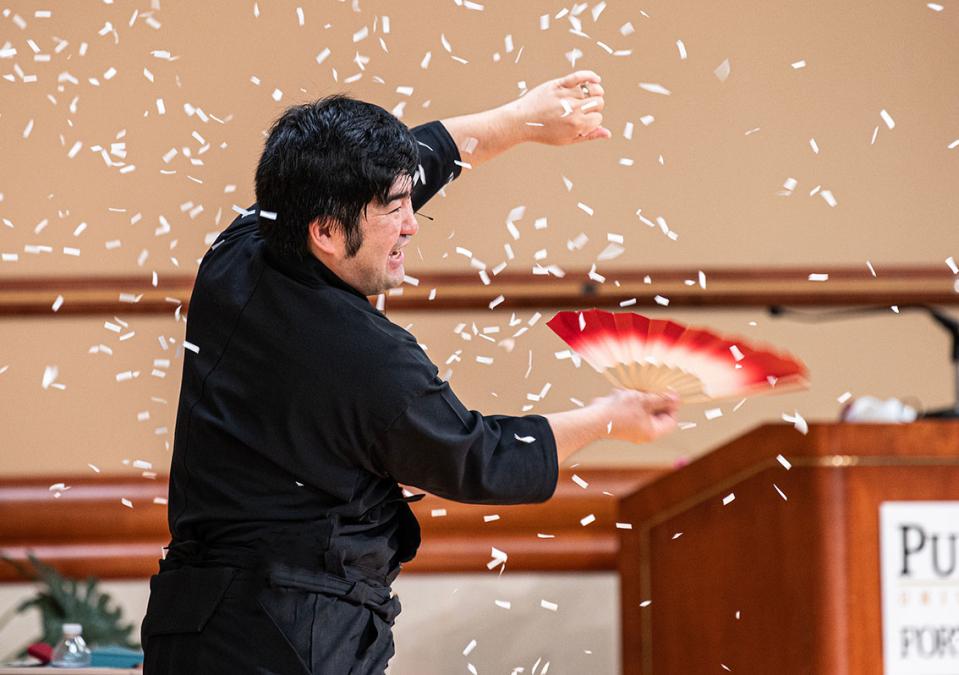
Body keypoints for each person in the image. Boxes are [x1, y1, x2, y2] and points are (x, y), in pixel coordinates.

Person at [141, 70, 680, 674]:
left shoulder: (241, 249)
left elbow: (421, 156)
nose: (411, 224)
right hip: (289, 639)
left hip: (191, 628)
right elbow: (483, 458)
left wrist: (522, 118)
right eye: (394, 209)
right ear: (324, 230)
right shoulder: (369, 359)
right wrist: (610, 418)